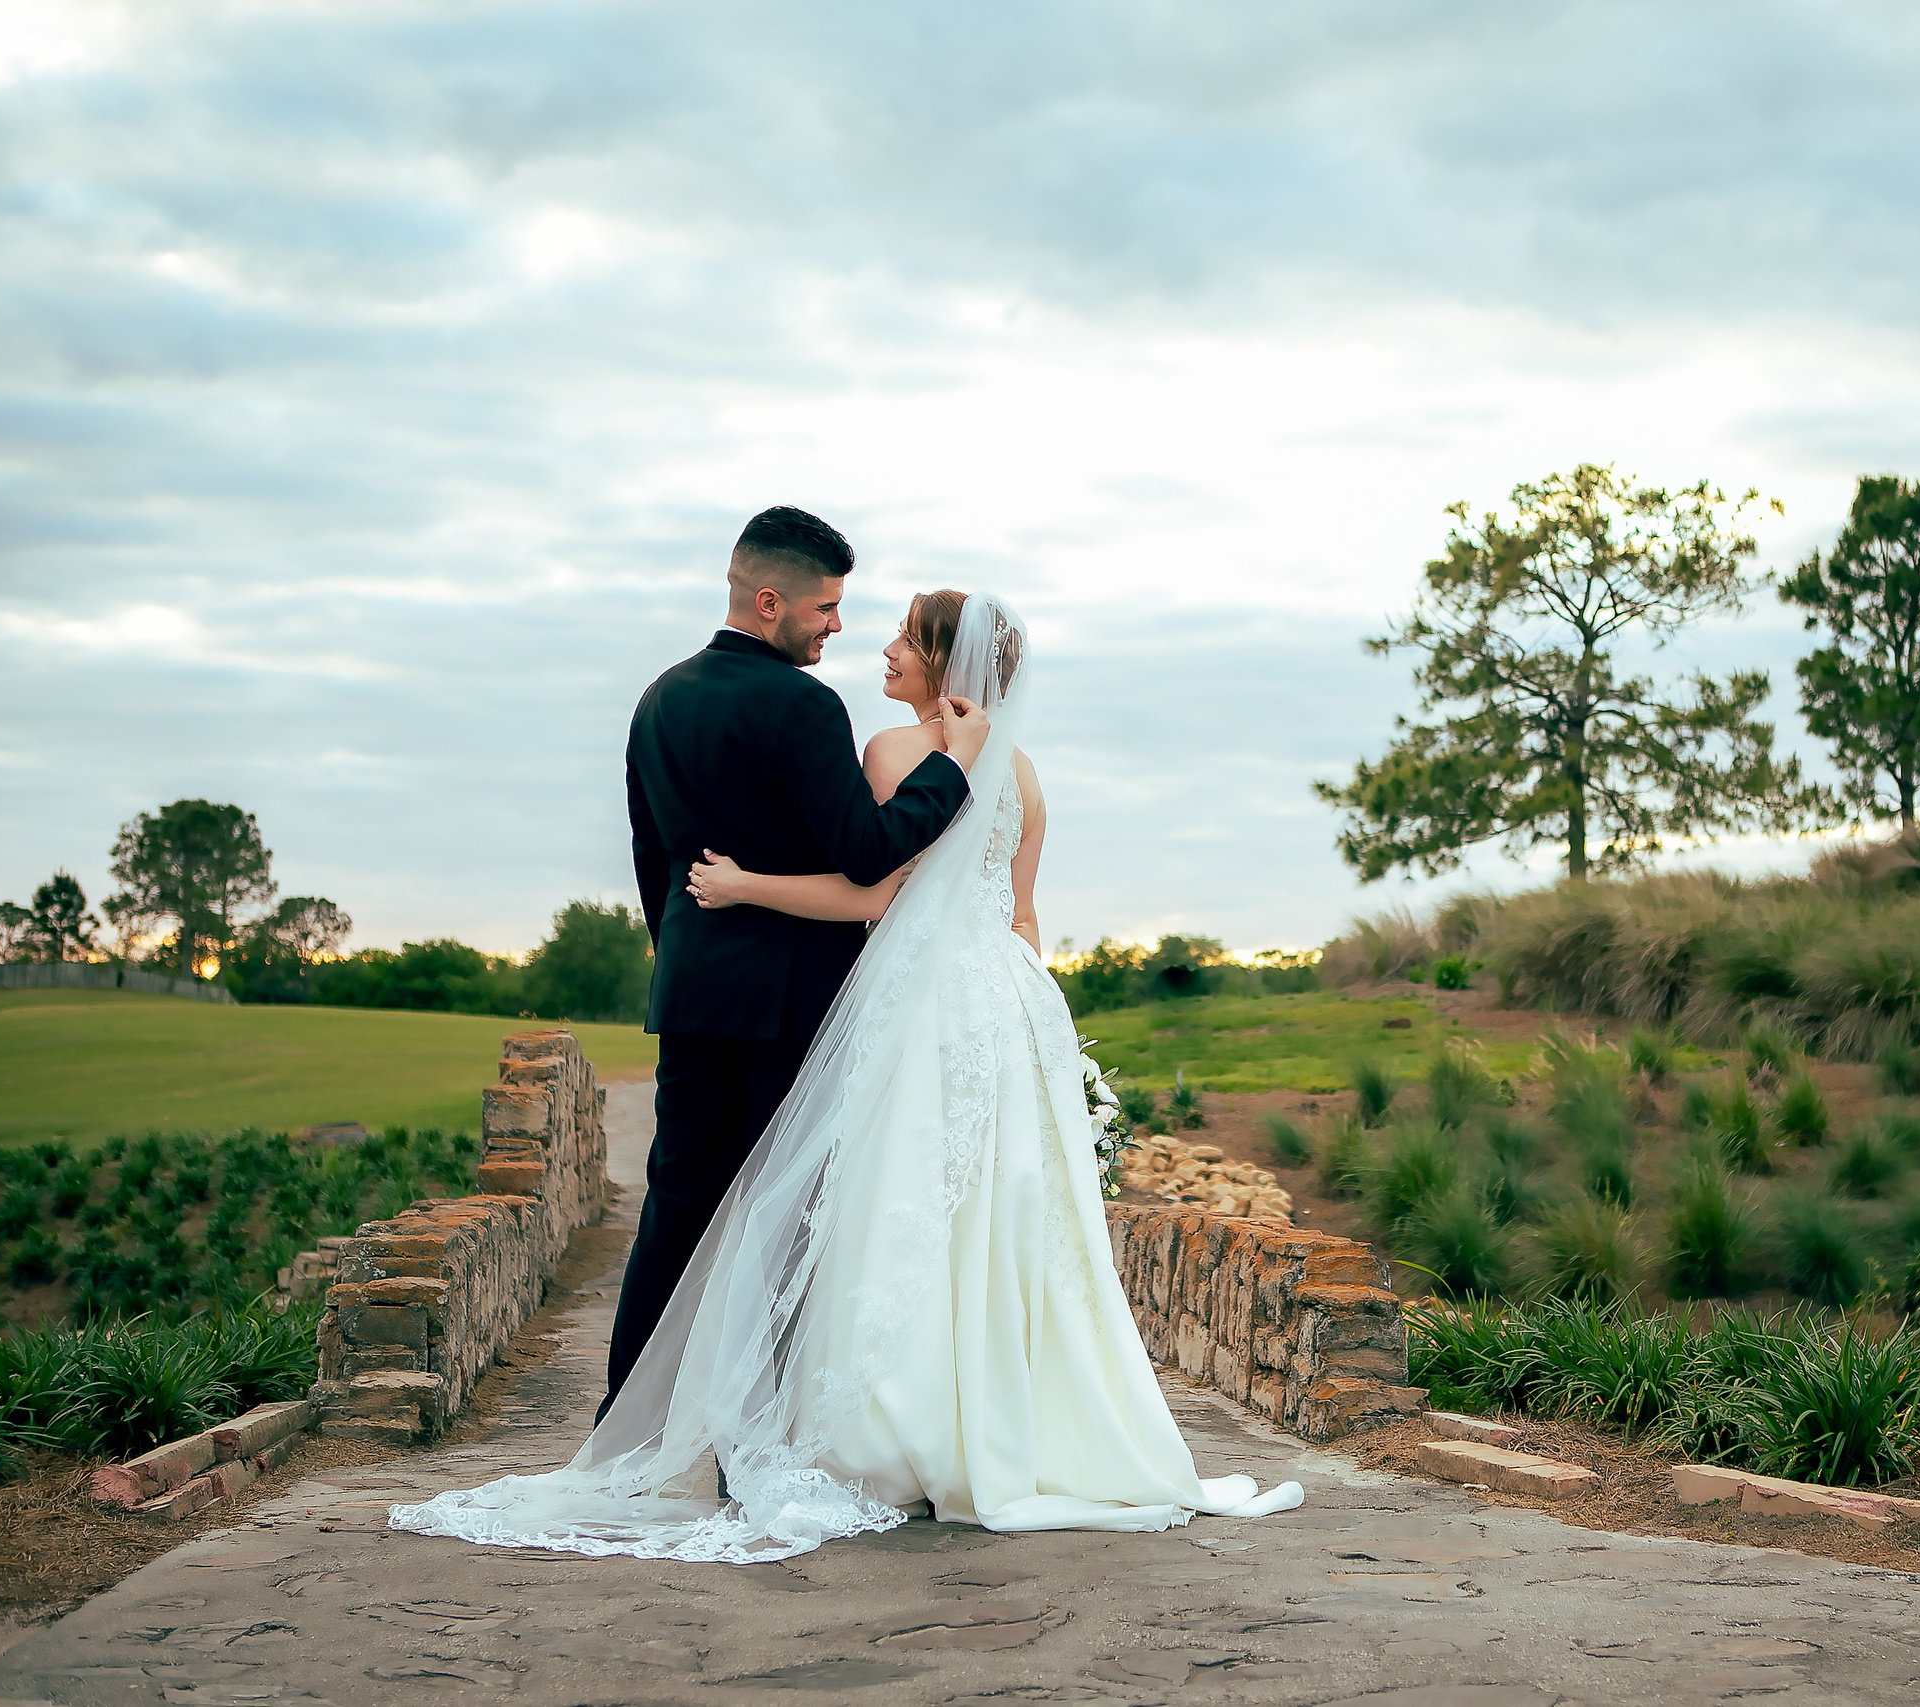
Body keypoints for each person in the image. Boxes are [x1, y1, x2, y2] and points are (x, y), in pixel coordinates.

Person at [392, 587, 1302, 1560]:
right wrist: (1044, 1033)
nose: (884, 650)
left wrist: (742, 886)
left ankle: (893, 1434)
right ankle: (1008, 1429)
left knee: (895, 1203)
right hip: (1008, 1005)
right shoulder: (1026, 774)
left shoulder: (891, 753)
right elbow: (1023, 919)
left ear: (944, 665)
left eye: (904, 639)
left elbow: (868, 889)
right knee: (994, 1221)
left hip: (919, 1002)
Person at [605, 506, 985, 1412]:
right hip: (797, 1003)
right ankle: (760, 1440)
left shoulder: (658, 698)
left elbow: (652, 860)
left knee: (675, 1210)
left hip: (695, 995)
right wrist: (955, 767)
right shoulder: (805, 706)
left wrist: (690, 961)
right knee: (788, 1219)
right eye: (824, 609)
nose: (838, 627)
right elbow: (867, 849)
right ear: (769, 601)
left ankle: (622, 1422)